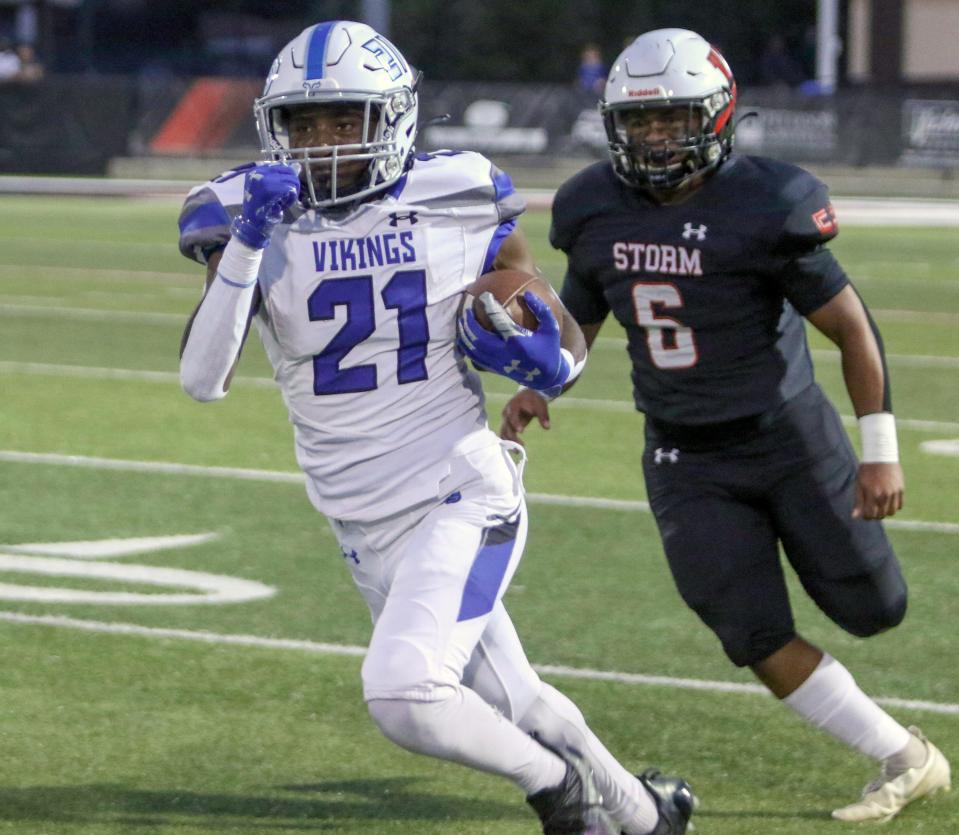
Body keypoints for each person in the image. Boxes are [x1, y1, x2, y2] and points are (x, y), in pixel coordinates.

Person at [177, 20, 695, 835]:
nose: (322, 143)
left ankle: (563, 794)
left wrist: (543, 359)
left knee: (403, 693)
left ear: (391, 119)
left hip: (461, 488)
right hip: (361, 518)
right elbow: (202, 379)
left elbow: (549, 326)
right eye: (304, 124)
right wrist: (246, 242)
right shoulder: (245, 210)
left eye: (344, 119)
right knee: (512, 695)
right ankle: (645, 817)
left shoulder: (459, 192)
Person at [493, 28, 951, 825]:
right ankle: (906, 759)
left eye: (672, 120)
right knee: (746, 628)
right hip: (682, 453)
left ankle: (897, 724)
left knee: (875, 608)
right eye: (639, 123)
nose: (655, 138)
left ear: (716, 115)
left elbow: (849, 327)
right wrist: (545, 384)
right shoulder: (591, 204)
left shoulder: (767, 201)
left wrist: (878, 452)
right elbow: (586, 310)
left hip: (786, 435)